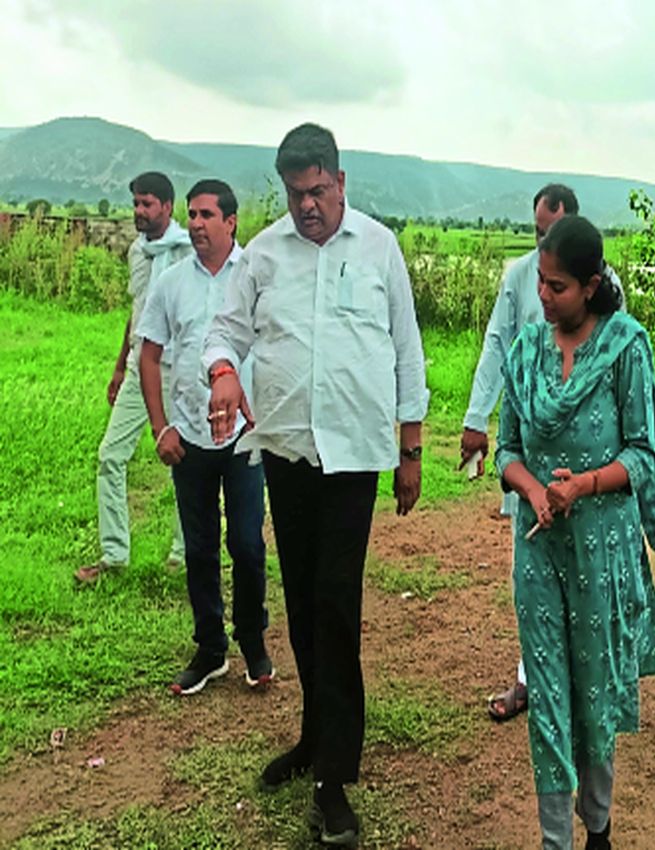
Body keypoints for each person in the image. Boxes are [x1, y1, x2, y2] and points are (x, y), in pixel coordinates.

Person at [204, 123, 429, 848]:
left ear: (340, 182)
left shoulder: (379, 248)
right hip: (287, 452)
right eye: (295, 193)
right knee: (302, 603)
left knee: (335, 600)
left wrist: (411, 447)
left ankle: (334, 775)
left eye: (318, 191)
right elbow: (225, 331)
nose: (306, 205)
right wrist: (224, 372)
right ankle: (313, 735)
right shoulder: (263, 254)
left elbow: (406, 348)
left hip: (355, 457)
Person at [497, 215, 655, 849]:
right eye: (541, 282)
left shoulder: (626, 346)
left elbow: (645, 453)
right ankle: (555, 840)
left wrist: (584, 485)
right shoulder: (526, 351)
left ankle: (597, 826)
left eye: (558, 286)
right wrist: (534, 491)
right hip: (538, 549)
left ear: (591, 286)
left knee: (593, 696)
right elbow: (508, 448)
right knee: (546, 694)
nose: (544, 296)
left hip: (602, 550)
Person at [137, 179, 271, 696]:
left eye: (206, 215)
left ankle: (253, 642)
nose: (195, 224)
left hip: (245, 436)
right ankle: (211, 649)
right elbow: (150, 355)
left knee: (247, 543)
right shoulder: (171, 282)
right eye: (191, 214)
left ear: (231, 222)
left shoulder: (256, 276)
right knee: (199, 548)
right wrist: (161, 428)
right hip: (189, 434)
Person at [460, 183, 576, 723]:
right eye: (538, 232)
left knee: (581, 568)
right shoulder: (518, 277)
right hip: (528, 446)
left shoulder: (603, 283)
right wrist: (476, 418)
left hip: (584, 455)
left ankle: (577, 679)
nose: (544, 243)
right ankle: (531, 676)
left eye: (554, 233)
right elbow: (496, 344)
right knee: (530, 570)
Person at [75, 171, 190, 583]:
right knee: (110, 455)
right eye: (136, 203)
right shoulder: (137, 252)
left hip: (178, 368)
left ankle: (184, 554)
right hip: (141, 366)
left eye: (147, 203)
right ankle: (114, 555)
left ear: (167, 207)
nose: (139, 211)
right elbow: (138, 310)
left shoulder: (187, 251)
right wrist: (121, 364)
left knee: (183, 462)